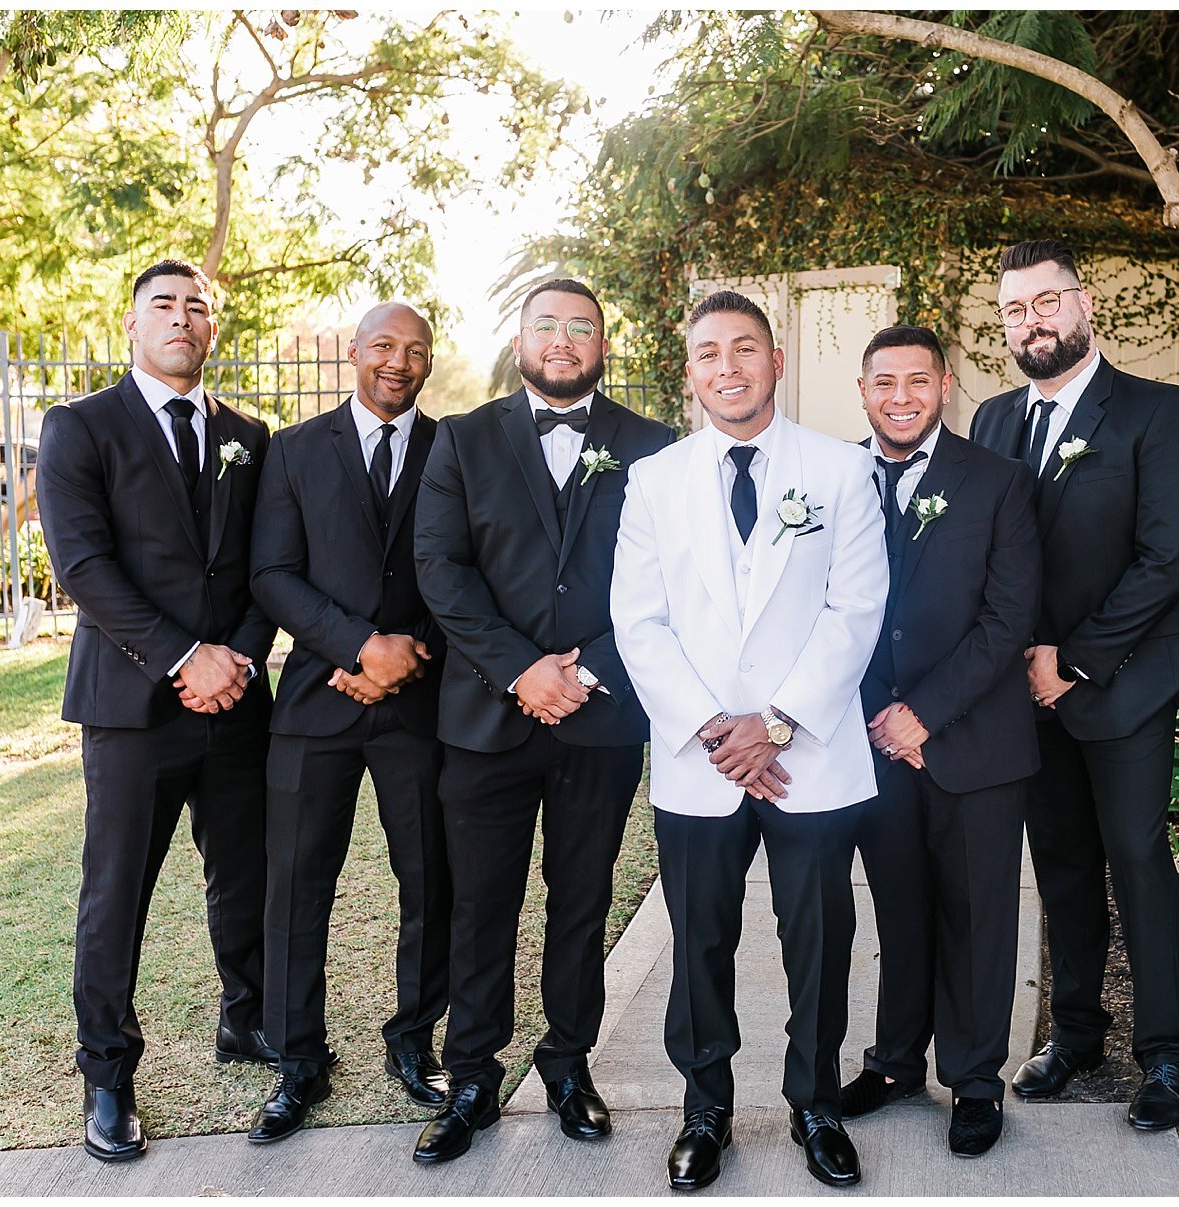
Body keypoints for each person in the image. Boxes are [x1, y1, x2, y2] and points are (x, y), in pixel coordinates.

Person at [611, 290, 888, 1191]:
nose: (726, 367)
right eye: (707, 353)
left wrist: (772, 726)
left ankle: (813, 1101)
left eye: (744, 349)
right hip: (700, 762)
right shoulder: (655, 479)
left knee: (818, 933)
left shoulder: (841, 471)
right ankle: (706, 1106)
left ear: (775, 362)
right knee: (699, 938)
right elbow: (638, 619)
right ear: (689, 371)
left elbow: (857, 611)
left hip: (807, 752)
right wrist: (711, 728)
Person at [410, 279, 676, 1163]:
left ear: (604, 342)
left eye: (582, 327)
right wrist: (521, 669)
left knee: (583, 897)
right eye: (546, 326)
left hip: (599, 720)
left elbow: (666, 581)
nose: (563, 341)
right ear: (519, 339)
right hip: (487, 716)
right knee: (481, 900)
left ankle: (569, 1063)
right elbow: (441, 569)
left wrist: (586, 668)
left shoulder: (652, 446)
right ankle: (473, 1074)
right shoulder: (462, 438)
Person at [966, 238, 1179, 1132]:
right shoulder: (993, 421)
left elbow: (1168, 556)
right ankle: (1076, 1034)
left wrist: (1069, 658)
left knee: (1140, 864)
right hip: (1023, 697)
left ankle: (1163, 1053)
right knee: (1061, 867)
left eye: (1045, 302)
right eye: (1015, 310)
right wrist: (1016, 661)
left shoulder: (1156, 411)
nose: (1031, 322)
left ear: (1084, 302)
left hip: (1122, 686)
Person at [38, 258, 276, 1162]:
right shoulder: (80, 427)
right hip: (133, 706)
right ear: (132, 325)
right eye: (164, 305)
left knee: (245, 873)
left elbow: (268, 565)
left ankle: (245, 1019)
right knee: (116, 892)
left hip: (237, 704)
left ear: (212, 329)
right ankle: (108, 1072)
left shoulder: (249, 433)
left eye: (198, 307)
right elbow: (84, 566)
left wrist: (238, 658)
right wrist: (185, 658)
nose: (183, 318)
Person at [245, 302, 451, 1142]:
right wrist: (358, 646)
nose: (397, 362)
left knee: (430, 878)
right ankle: (299, 1057)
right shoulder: (294, 449)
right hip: (316, 699)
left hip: (423, 704)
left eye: (415, 350)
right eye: (383, 347)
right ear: (354, 353)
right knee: (296, 883)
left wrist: (410, 652)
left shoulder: (454, 448)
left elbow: (472, 568)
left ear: (429, 363)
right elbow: (272, 573)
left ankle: (414, 1039)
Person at [838, 325, 1040, 1157]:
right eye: (884, 382)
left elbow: (1007, 620)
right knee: (900, 907)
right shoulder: (831, 478)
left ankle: (976, 1078)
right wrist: (878, 717)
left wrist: (924, 714)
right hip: (868, 741)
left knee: (978, 913)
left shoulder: (999, 483)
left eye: (916, 381)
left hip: (972, 740)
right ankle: (893, 1062)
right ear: (862, 390)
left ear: (944, 386)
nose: (900, 397)